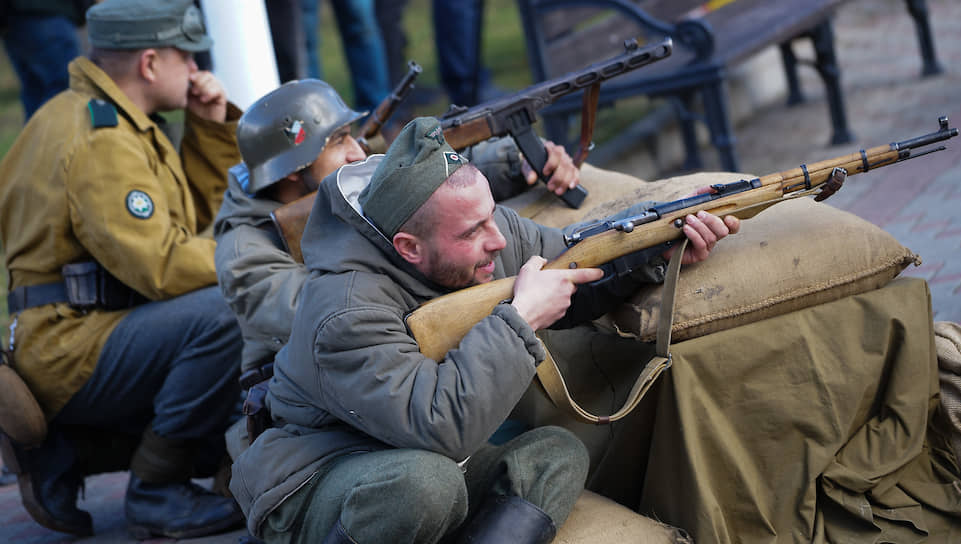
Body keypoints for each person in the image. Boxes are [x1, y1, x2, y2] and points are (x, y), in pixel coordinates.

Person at [228, 116, 738, 543]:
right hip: (317, 479)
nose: (499, 239)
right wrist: (519, 320)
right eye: (473, 232)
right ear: (408, 247)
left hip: (415, 461)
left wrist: (658, 249)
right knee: (426, 486)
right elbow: (438, 426)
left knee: (556, 456)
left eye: (493, 215)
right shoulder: (344, 312)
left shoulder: (486, 232)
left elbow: (575, 266)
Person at [0, 0, 246, 538]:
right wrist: (251, 256)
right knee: (224, 315)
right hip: (73, 344)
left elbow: (178, 227)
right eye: (187, 55)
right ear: (151, 63)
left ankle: (67, 453)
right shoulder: (102, 140)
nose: (198, 70)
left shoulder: (85, 114)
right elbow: (161, 266)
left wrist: (208, 130)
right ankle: (156, 492)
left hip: (65, 334)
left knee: (219, 412)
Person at [215, 79, 582, 378]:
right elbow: (330, 318)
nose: (357, 153)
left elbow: (422, 183)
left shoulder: (345, 181)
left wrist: (514, 163)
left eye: (351, 135)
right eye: (338, 141)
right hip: (324, 406)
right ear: (295, 167)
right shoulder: (244, 253)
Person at [0, 0, 93, 121]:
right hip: (48, 13)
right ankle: (53, 138)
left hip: (15, 19)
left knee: (35, 91)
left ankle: (35, 139)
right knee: (67, 88)